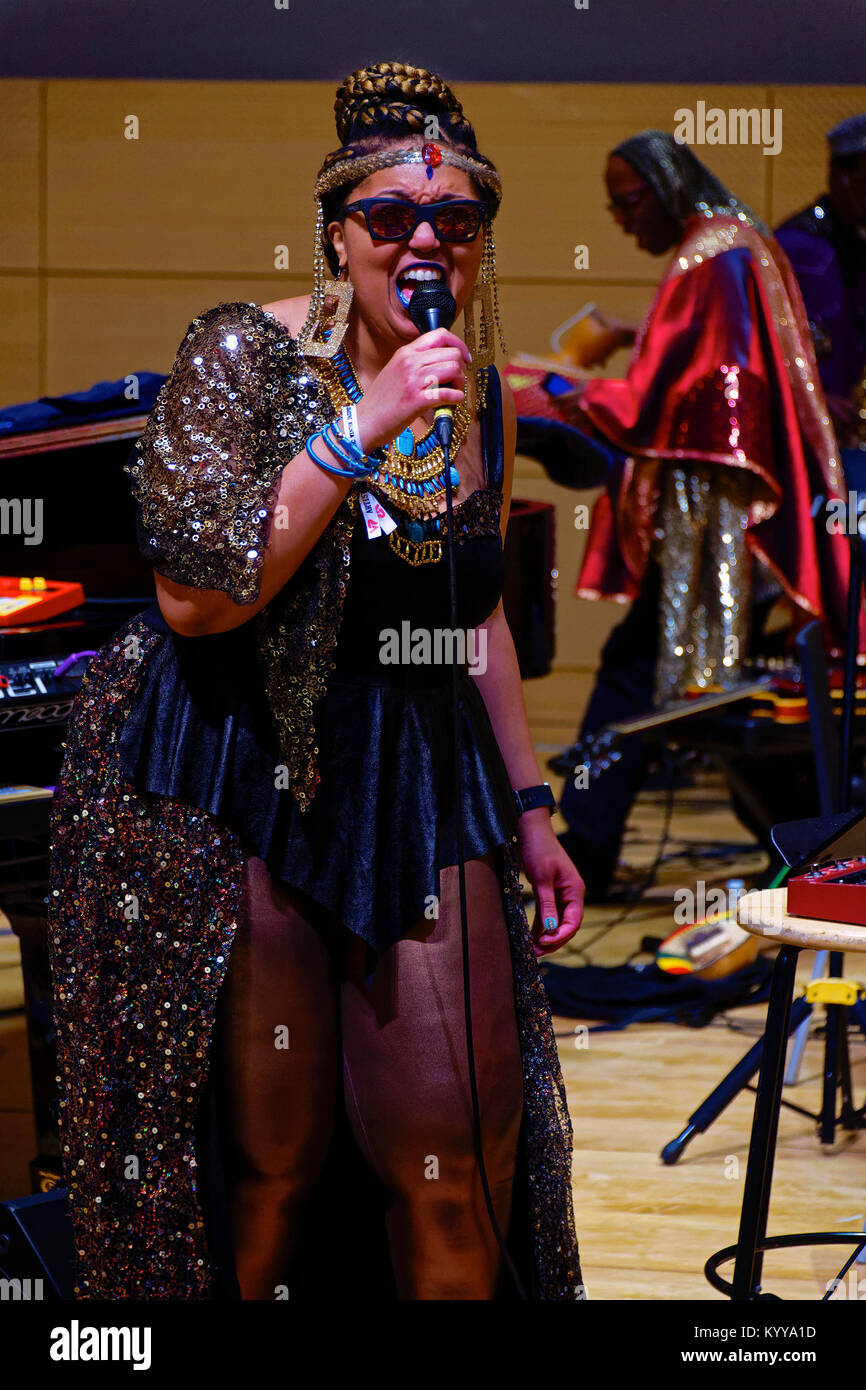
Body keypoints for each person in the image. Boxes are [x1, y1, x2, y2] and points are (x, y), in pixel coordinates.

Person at [46, 60, 586, 1302]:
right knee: (265, 1166)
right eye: (387, 219)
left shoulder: (473, 388)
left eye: (454, 222)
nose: (424, 243)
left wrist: (531, 803)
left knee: (453, 1159)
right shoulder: (243, 357)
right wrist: (365, 422)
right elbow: (199, 594)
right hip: (241, 768)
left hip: (414, 772)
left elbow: (473, 609)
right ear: (335, 234)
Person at [506, 130, 850, 897]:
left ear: (666, 185)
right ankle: (789, 858)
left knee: (690, 692)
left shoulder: (713, 256)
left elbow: (704, 394)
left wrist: (553, 390)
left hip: (712, 525)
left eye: (629, 202)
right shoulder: (724, 246)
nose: (623, 221)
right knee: (686, 691)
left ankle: (607, 846)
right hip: (713, 514)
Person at [774, 113, 866, 450]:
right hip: (800, 441)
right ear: (841, 176)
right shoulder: (793, 250)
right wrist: (811, 399)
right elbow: (752, 348)